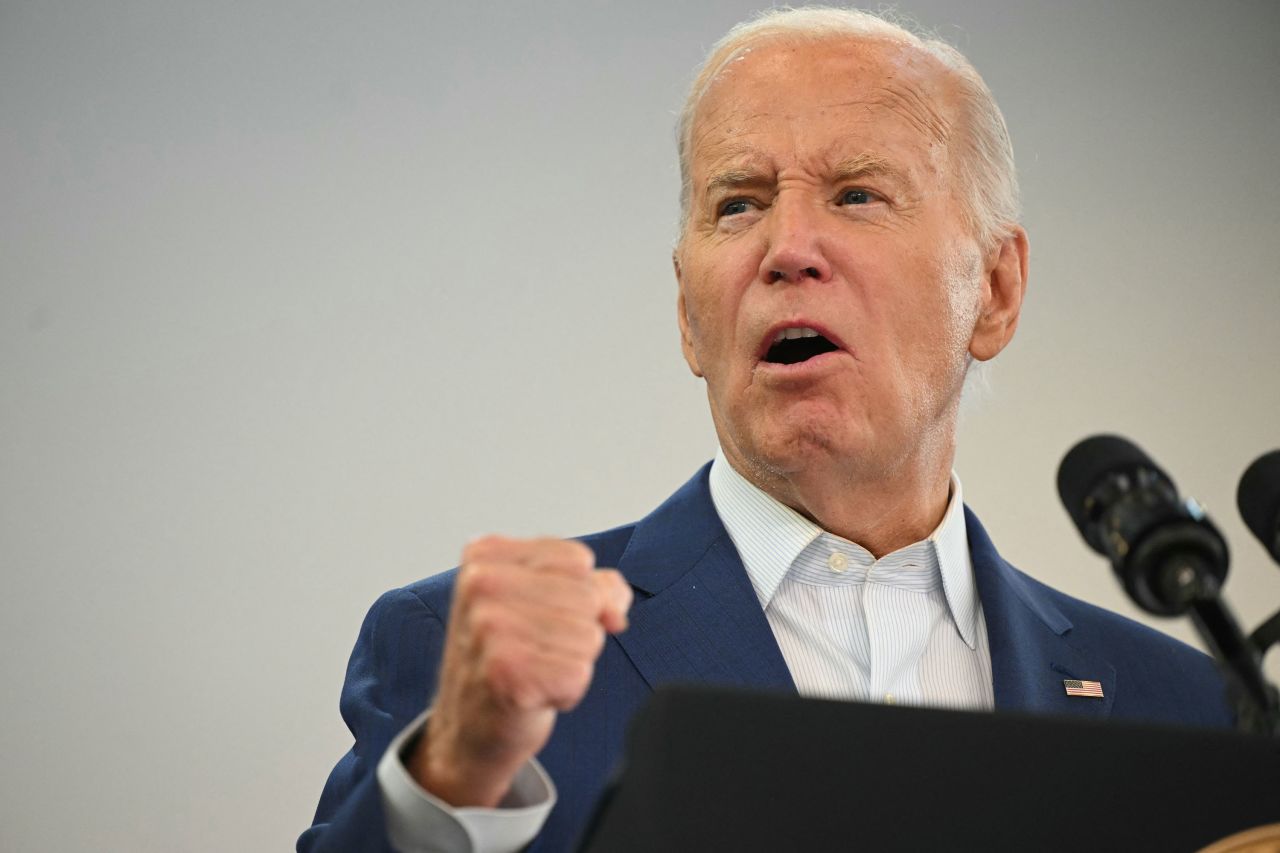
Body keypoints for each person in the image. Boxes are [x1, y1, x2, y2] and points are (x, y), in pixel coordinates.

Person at [298, 7, 1232, 852]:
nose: (786, 249)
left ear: (995, 289)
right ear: (686, 312)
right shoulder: (469, 669)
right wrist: (454, 776)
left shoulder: (1189, 709)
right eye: (737, 203)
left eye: (857, 195)